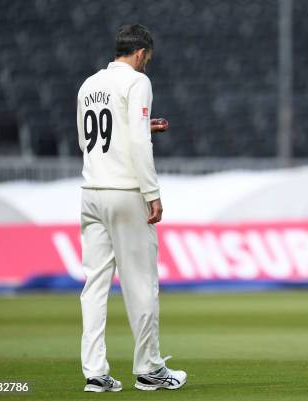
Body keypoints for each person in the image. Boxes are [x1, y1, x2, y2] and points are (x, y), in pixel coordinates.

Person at [76, 24, 185, 392]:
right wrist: (152, 193)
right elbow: (137, 143)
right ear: (140, 54)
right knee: (141, 283)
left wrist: (139, 129)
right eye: (147, 60)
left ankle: (95, 372)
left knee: (94, 286)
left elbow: (88, 140)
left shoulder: (89, 84)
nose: (146, 66)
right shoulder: (138, 82)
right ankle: (150, 369)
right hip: (125, 192)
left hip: (91, 190)